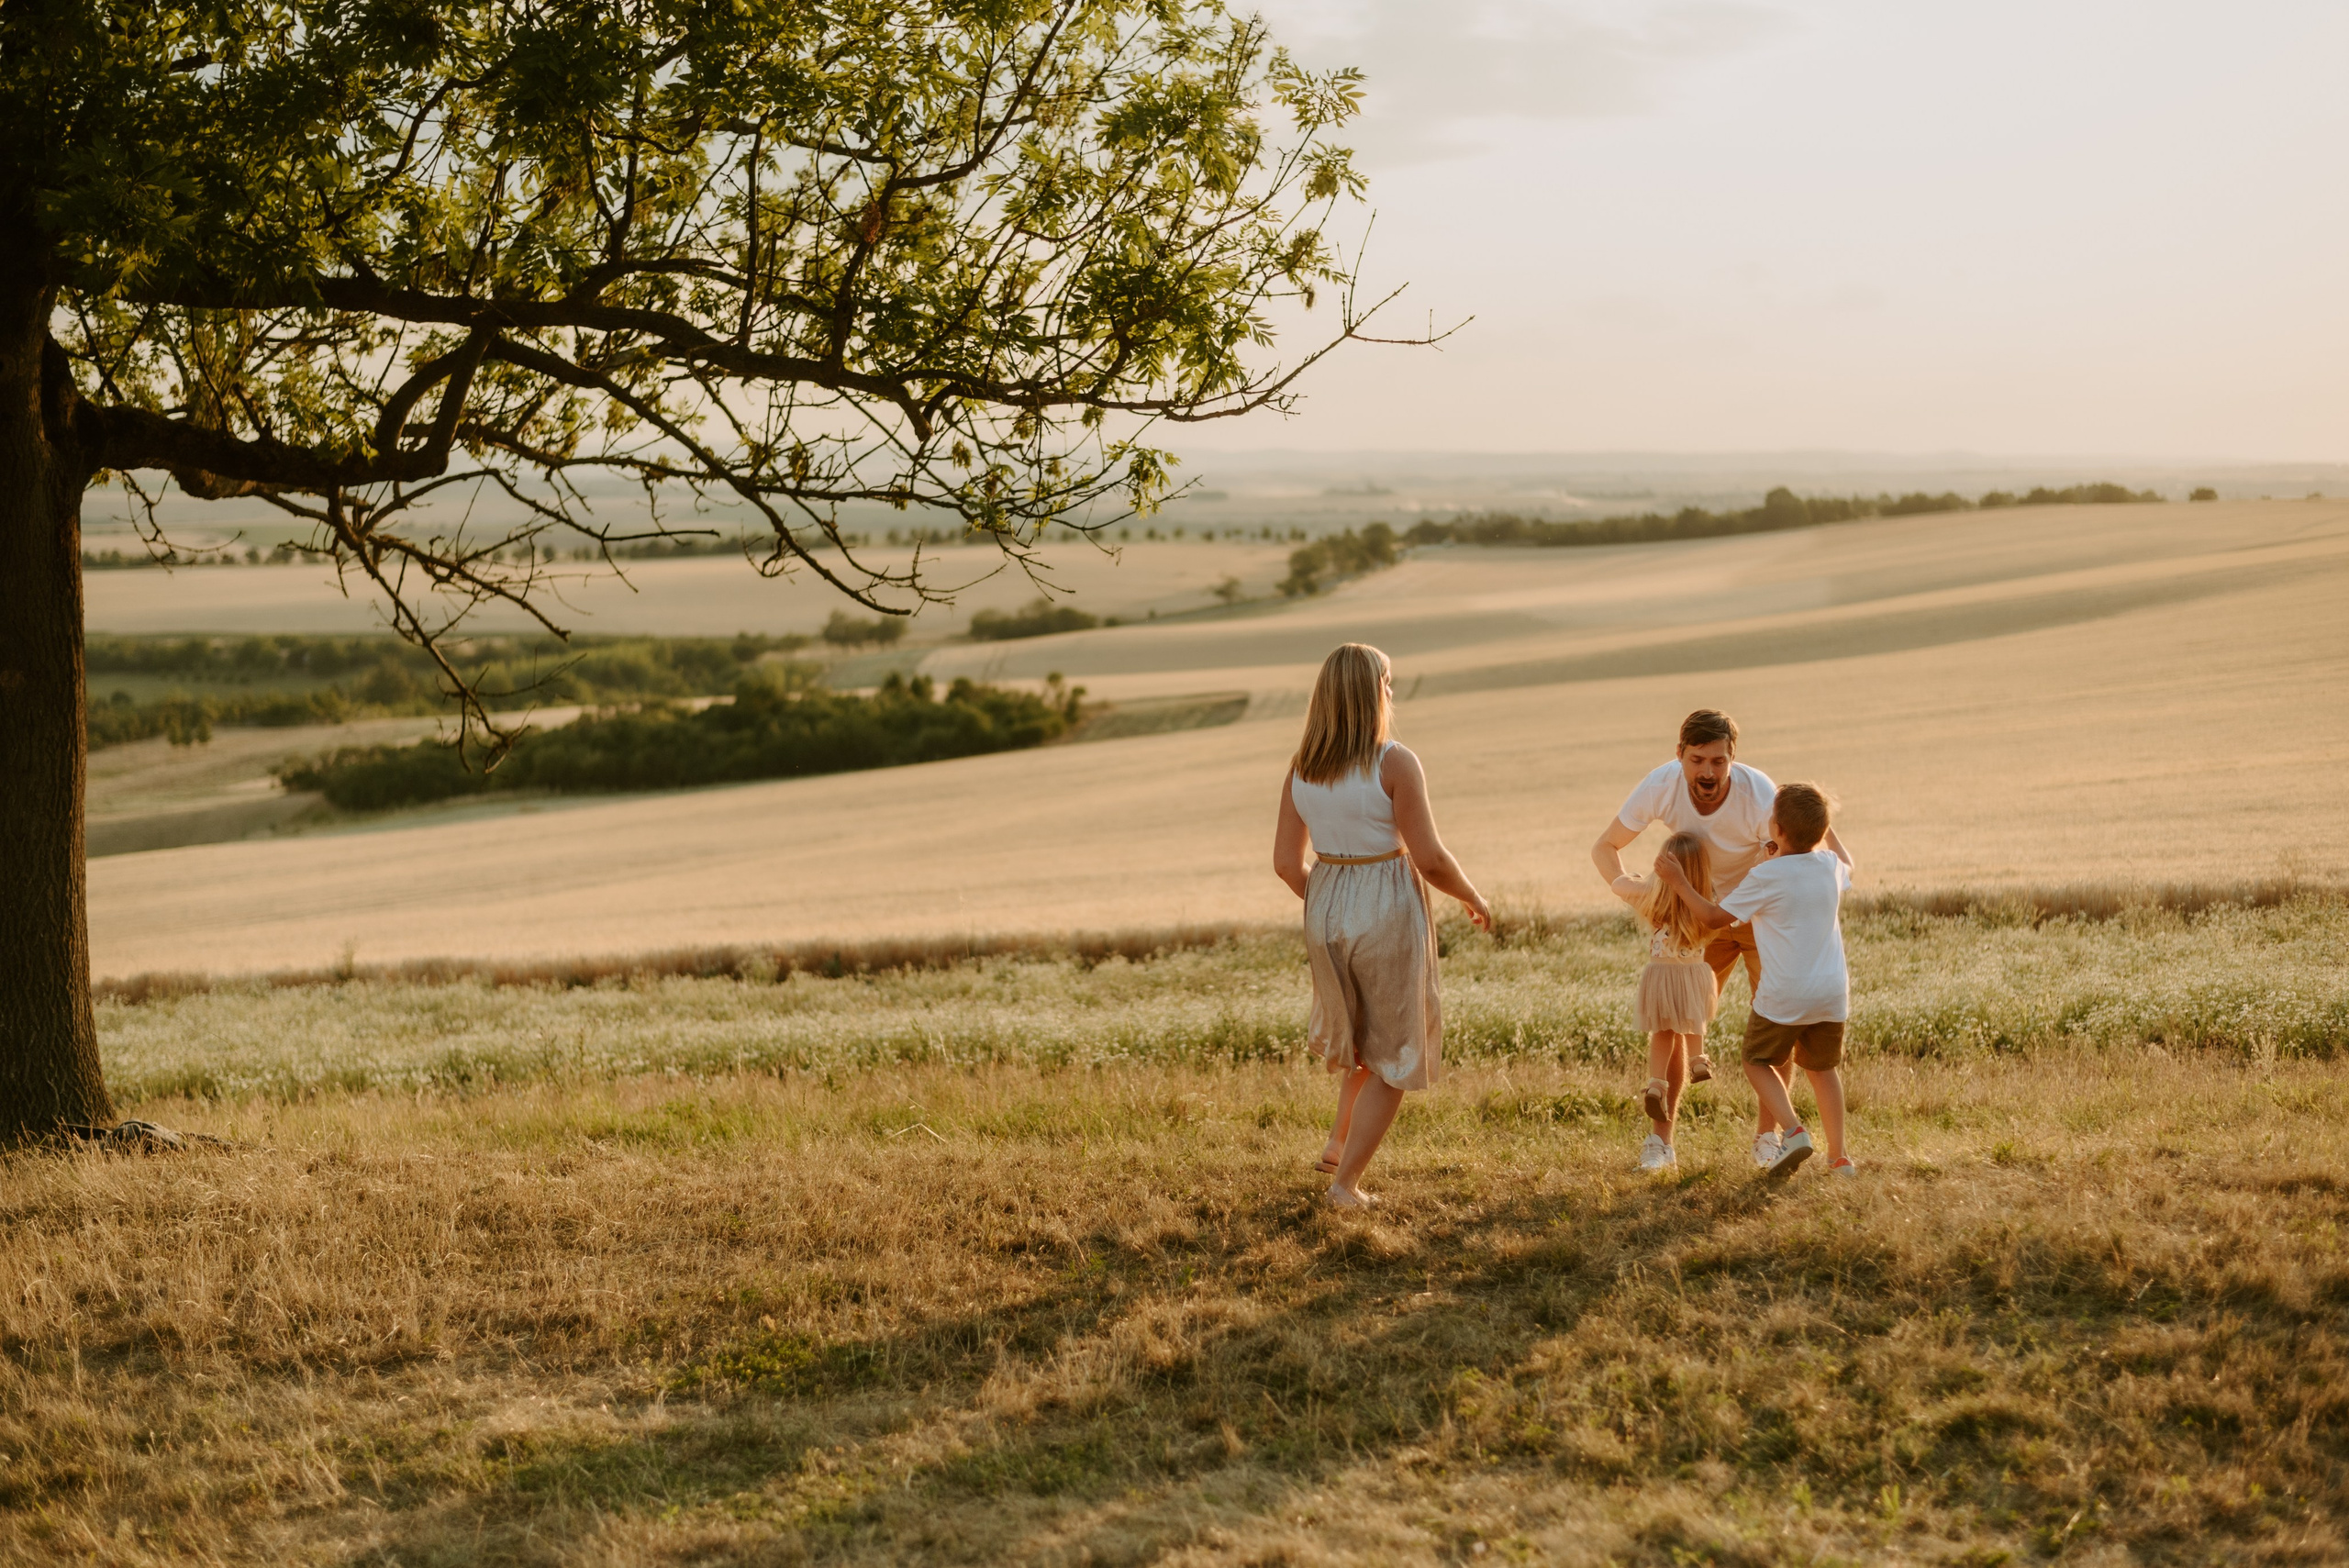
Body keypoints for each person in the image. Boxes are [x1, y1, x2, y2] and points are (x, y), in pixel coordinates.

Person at [1273, 643, 1492, 1209]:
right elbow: (1431, 858)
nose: (1391, 692)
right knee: (1397, 1057)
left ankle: (1336, 1142)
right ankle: (1345, 1185)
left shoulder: (1301, 767)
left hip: (1324, 906)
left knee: (1361, 1040)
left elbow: (1284, 863)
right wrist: (1472, 895)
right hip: (1386, 905)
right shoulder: (1393, 761)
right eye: (1388, 683)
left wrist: (1331, 905)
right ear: (1371, 694)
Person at [1591, 708, 1797, 1169]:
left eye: (1719, 762)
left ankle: (1769, 1139)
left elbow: (1787, 852)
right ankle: (1660, 1144)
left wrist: (1747, 898)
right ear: (1679, 755)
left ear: (1732, 760)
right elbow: (1604, 848)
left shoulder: (1759, 794)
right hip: (1696, 919)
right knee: (1673, 1020)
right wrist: (1640, 898)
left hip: (1761, 914)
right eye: (1698, 759)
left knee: (1776, 1020)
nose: (1708, 772)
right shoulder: (1660, 786)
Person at [1653, 781, 1857, 1179]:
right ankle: (1841, 1158)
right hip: (1832, 993)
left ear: (1777, 830)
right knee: (1823, 1069)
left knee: (1756, 1060)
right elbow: (1847, 860)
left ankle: (1794, 1130)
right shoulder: (1829, 867)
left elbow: (1713, 918)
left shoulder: (1766, 877)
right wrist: (1825, 830)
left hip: (1784, 993)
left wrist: (1679, 882)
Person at [1616, 831, 1720, 1173]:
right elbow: (1725, 916)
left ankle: (1657, 1083)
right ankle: (1699, 1059)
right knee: (1693, 1020)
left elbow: (1618, 885)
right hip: (1693, 974)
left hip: (1660, 976)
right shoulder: (1706, 899)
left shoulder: (1653, 897)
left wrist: (1638, 879)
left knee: (1662, 1031)